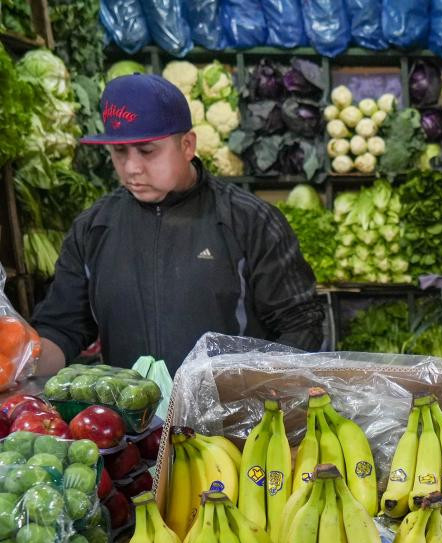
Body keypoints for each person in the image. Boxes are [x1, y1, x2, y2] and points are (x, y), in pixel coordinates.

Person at [30, 73, 323, 374]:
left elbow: (301, 324)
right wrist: (20, 358)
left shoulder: (250, 221)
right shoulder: (92, 229)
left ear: (187, 145)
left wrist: (257, 393)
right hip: (131, 419)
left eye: (147, 151)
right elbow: (60, 329)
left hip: (230, 417)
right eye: (119, 151)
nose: (131, 168)